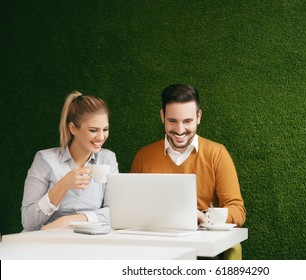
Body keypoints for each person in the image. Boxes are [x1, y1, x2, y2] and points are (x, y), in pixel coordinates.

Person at [130, 83, 246, 229]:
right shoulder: (144, 156)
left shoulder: (217, 154)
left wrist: (204, 216)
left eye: (187, 121)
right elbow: (131, 208)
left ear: (198, 117)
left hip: (204, 243)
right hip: (156, 242)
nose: (180, 130)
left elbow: (237, 211)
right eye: (172, 121)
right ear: (162, 116)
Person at [21, 91, 118, 231]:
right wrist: (63, 185)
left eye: (105, 129)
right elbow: (28, 221)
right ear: (73, 128)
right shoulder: (44, 159)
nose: (101, 137)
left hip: (88, 242)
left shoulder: (107, 159)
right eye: (93, 130)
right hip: (46, 242)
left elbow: (115, 212)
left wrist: (67, 221)